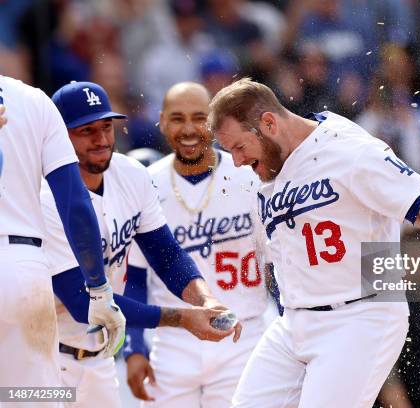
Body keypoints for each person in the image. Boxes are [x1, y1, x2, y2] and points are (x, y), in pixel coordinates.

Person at [207, 77, 420, 408]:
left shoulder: (348, 149)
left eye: (239, 148)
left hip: (358, 317)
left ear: (269, 122)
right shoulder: (269, 165)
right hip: (294, 324)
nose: (238, 161)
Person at [42, 81, 240, 407]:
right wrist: (183, 318)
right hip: (43, 359)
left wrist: (204, 300)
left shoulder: (130, 174)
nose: (102, 138)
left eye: (106, 126)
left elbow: (166, 255)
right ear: (60, 135)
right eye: (86, 130)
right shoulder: (45, 196)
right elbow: (81, 302)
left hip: (99, 355)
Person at [124, 82, 272, 407]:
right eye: (177, 118)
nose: (189, 128)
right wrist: (134, 347)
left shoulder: (248, 175)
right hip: (174, 344)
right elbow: (134, 277)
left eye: (199, 118)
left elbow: (279, 261)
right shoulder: (146, 183)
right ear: (162, 121)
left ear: (214, 122)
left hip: (242, 335)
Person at [0, 75, 124, 390]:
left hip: (23, 266)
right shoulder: (32, 99)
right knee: (28, 398)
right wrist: (98, 287)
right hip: (21, 265)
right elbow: (74, 202)